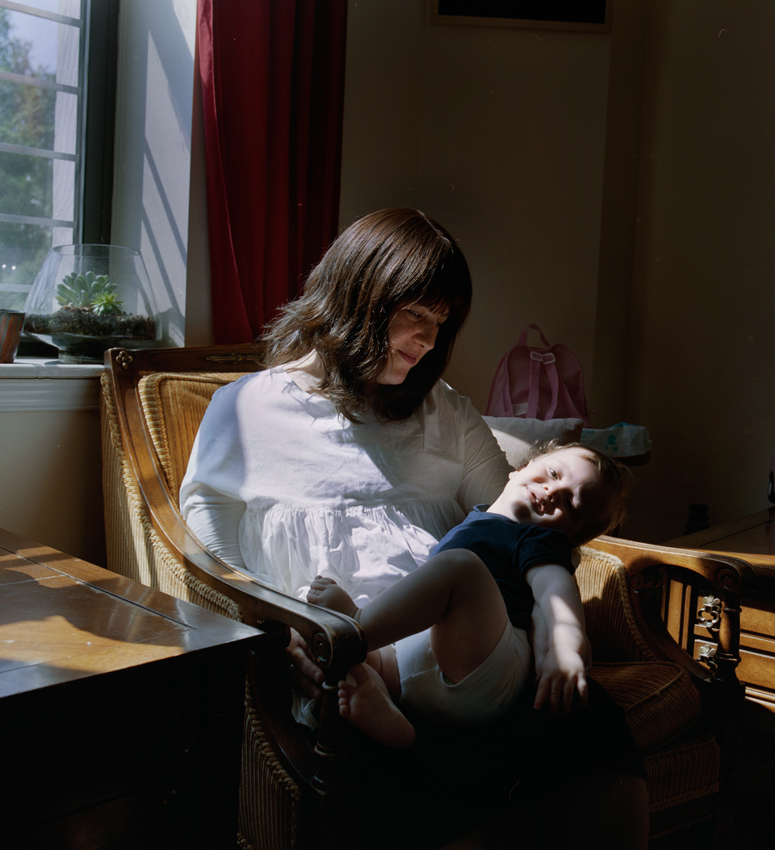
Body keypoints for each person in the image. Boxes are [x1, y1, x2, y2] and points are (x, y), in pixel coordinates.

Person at [180, 208, 648, 849]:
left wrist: (553, 634)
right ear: (359, 295)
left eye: (441, 323)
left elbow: (519, 526)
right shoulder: (245, 409)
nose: (428, 341)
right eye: (417, 315)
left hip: (465, 654)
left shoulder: (443, 411)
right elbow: (211, 556)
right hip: (348, 666)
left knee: (586, 728)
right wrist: (285, 636)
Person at [307, 442, 629, 750]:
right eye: (554, 474)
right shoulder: (477, 521)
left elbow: (555, 588)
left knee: (460, 566)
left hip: (490, 667)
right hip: (434, 675)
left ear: (569, 536)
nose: (552, 491)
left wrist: (567, 646)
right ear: (520, 469)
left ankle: (358, 625)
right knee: (361, 661)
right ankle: (389, 715)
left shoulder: (539, 540)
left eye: (571, 504)